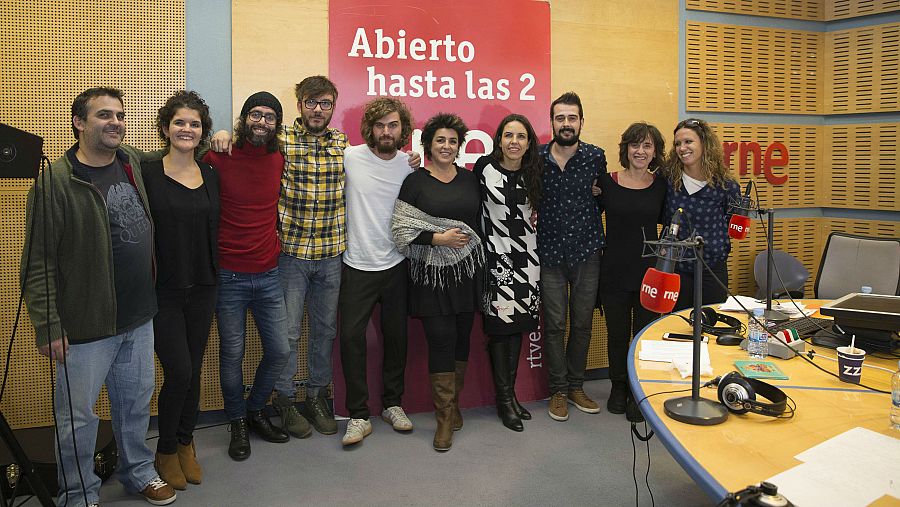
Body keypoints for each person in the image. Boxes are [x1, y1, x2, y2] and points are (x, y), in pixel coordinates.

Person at [20, 87, 176, 506]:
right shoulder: (55, 182)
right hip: (86, 327)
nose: (116, 122)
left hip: (139, 317)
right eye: (104, 115)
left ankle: (138, 472)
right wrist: (48, 326)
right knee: (77, 420)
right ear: (79, 122)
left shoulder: (131, 162)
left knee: (135, 406)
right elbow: (38, 264)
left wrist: (215, 138)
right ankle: (79, 494)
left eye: (120, 115)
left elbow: (178, 149)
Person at [203, 92, 293, 461]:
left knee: (280, 351)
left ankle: (256, 409)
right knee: (232, 354)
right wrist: (217, 134)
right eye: (255, 114)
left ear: (277, 124)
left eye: (270, 117)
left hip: (269, 273)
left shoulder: (279, 158)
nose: (262, 122)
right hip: (228, 276)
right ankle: (237, 421)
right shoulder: (217, 157)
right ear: (244, 118)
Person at [392, 113, 483, 452]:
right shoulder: (415, 181)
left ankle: (454, 405)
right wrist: (438, 239)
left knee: (462, 338)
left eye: (453, 141)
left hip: (465, 273)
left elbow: (481, 223)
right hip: (430, 277)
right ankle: (444, 417)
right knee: (441, 339)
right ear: (428, 144)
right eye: (440, 140)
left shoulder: (471, 180)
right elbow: (401, 230)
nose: (446, 146)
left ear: (460, 146)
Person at [142, 91, 219, 489]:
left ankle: (187, 443)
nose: (187, 129)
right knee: (179, 371)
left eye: (194, 123)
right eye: (179, 122)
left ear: (203, 131)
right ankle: (166, 449)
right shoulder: (147, 171)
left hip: (204, 286)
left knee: (195, 369)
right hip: (163, 291)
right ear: (165, 128)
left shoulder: (211, 174)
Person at [338, 97, 416, 446]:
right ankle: (358, 414)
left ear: (403, 129)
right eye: (380, 125)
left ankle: (392, 404)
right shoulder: (350, 156)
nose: (386, 131)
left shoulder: (410, 164)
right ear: (370, 128)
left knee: (397, 337)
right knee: (351, 339)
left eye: (393, 125)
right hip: (356, 265)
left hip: (397, 264)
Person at [537, 92, 606, 422]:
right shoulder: (536, 157)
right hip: (548, 253)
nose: (566, 123)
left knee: (581, 325)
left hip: (587, 253)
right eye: (560, 118)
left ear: (581, 121)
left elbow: (605, 197)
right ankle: (558, 391)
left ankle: (577, 386)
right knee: (554, 326)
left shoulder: (596, 157)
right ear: (552, 122)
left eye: (572, 118)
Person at [473, 114, 542, 432]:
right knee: (500, 330)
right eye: (509, 135)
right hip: (496, 263)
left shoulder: (536, 172)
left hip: (528, 263)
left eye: (522, 136)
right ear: (499, 139)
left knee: (519, 329)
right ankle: (504, 401)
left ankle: (511, 395)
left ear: (529, 143)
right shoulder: (483, 169)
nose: (515, 141)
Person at [596, 122, 667, 423]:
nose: (640, 151)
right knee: (616, 335)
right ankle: (617, 389)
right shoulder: (605, 182)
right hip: (613, 271)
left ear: (655, 152)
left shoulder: (662, 185)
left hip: (649, 275)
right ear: (625, 148)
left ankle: (639, 393)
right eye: (635, 145)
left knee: (644, 336)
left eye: (647, 146)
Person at [663, 118, 741, 311]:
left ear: (704, 143)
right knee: (677, 327)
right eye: (678, 144)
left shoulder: (726, 186)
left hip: (712, 269)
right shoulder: (668, 180)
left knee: (711, 325)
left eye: (688, 141)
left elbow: (733, 222)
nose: (682, 148)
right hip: (676, 269)